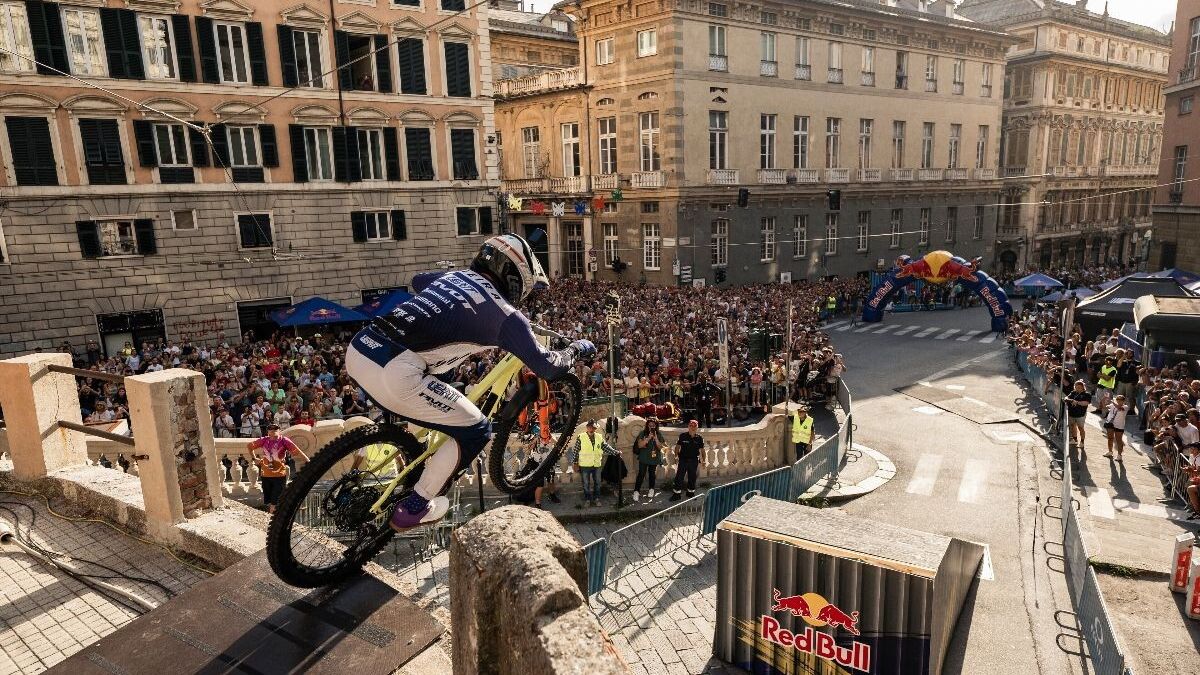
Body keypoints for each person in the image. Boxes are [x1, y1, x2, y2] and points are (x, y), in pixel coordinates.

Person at [345, 234, 595, 531]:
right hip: (396, 372)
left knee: (441, 375)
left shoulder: (453, 277)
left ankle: (415, 446)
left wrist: (453, 286)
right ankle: (415, 506)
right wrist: (576, 349)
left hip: (360, 349)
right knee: (477, 429)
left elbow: (418, 280)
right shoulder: (507, 317)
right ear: (515, 278)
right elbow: (547, 366)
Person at [248, 423, 310, 514]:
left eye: (275, 428)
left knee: (275, 501)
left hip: (279, 475)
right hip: (265, 474)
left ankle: (275, 518)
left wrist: (308, 460)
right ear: (268, 431)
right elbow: (250, 446)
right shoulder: (264, 440)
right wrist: (254, 458)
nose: (273, 430)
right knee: (269, 501)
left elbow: (297, 450)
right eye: (270, 429)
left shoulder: (284, 440)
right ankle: (272, 517)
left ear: (279, 431)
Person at [570, 419, 616, 507]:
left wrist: (615, 452)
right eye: (590, 427)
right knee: (586, 483)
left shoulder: (599, 437)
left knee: (598, 482)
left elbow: (605, 447)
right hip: (585, 465)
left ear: (595, 428)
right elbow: (576, 451)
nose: (592, 429)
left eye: (593, 428)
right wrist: (575, 463)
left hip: (596, 464)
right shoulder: (581, 437)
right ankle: (588, 499)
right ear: (587, 427)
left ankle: (596, 498)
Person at [670, 420, 706, 501]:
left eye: (694, 426)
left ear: (697, 427)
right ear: (688, 427)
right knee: (679, 477)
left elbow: (702, 450)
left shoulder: (699, 438)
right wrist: (676, 456)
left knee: (692, 477)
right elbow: (677, 447)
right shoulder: (682, 436)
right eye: (691, 425)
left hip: (694, 460)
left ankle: (690, 493)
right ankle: (676, 494)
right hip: (683, 460)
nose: (692, 427)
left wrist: (704, 460)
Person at [633, 417, 666, 502]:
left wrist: (656, 438)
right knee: (641, 474)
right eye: (649, 425)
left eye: (653, 425)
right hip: (644, 457)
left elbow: (660, 447)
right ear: (647, 425)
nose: (651, 427)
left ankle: (651, 489)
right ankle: (636, 491)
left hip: (654, 458)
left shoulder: (658, 434)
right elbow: (640, 445)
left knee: (652, 474)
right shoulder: (643, 433)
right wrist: (648, 438)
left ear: (656, 426)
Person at [1064, 379, 1091, 448]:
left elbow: (1086, 403)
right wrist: (1069, 399)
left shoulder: (1087, 394)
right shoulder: (1073, 392)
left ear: (1083, 387)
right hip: (1072, 413)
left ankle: (1082, 442)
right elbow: (1066, 397)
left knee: (1081, 428)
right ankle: (1075, 440)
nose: (1077, 389)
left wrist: (1077, 402)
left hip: (1081, 415)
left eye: (1079, 387)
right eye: (1076, 387)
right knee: (1073, 426)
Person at [1103, 394, 1127, 461]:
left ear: (1124, 401)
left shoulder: (1125, 407)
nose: (1119, 401)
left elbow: (1119, 408)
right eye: (1117, 399)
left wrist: (1113, 402)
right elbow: (1104, 406)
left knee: (1119, 440)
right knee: (1110, 438)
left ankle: (1119, 455)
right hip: (1110, 424)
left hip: (1119, 426)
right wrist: (1104, 399)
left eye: (1120, 400)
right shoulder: (1112, 405)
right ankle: (1110, 452)